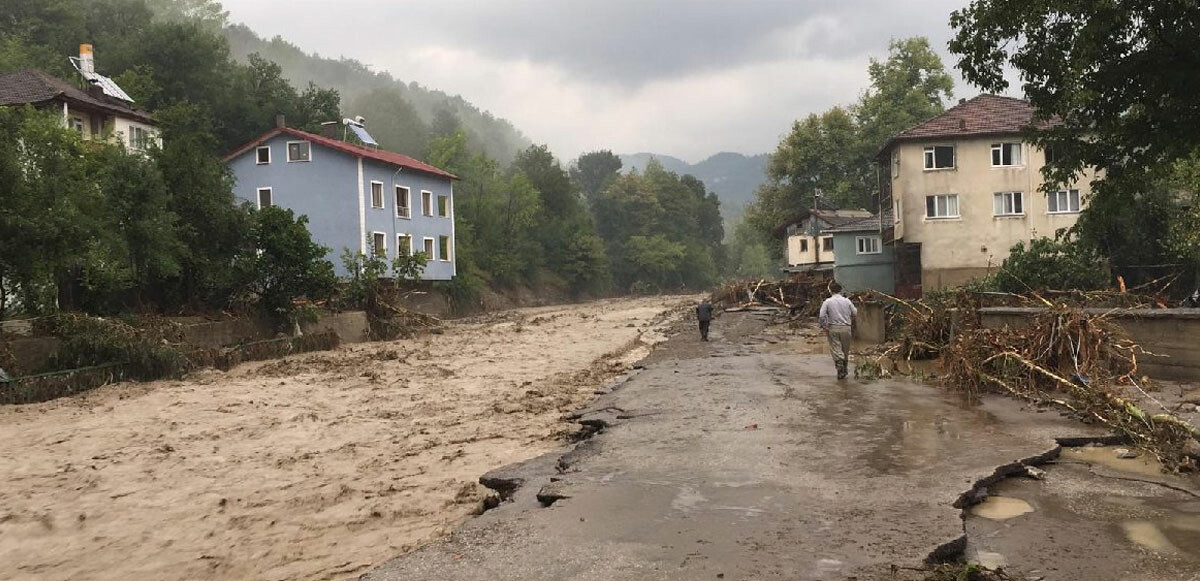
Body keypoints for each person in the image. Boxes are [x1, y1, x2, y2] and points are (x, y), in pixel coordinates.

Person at [818, 281, 856, 379]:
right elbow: (855, 313)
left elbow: (822, 316)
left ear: (830, 290)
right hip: (846, 328)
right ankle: (845, 369)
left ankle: (840, 369)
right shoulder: (847, 301)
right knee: (845, 350)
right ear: (840, 290)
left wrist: (824, 327)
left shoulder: (827, 302)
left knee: (836, 349)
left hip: (833, 328)